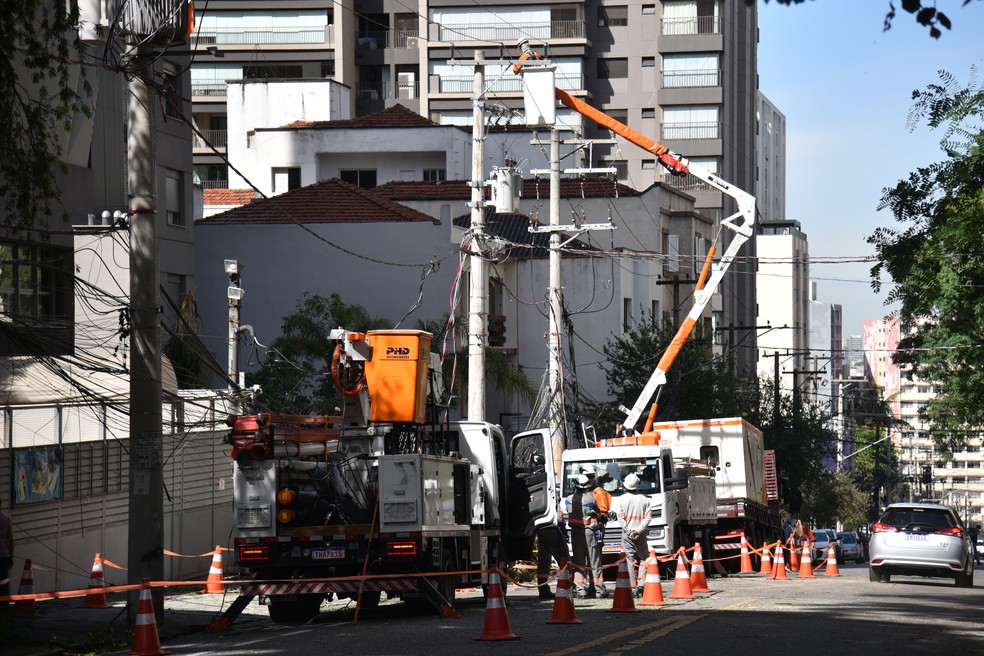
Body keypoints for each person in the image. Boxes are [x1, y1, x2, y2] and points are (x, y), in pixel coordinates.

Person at [560, 475, 607, 599]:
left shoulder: (569, 499)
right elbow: (598, 514)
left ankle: (581, 590)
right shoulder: (590, 499)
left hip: (575, 532)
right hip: (588, 532)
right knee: (594, 561)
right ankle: (599, 590)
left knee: (579, 562)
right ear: (587, 486)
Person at [615, 473, 649, 597]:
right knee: (644, 559)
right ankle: (641, 584)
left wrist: (629, 531)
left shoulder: (622, 499)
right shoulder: (644, 499)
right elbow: (648, 518)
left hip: (627, 534)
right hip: (640, 534)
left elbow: (620, 519)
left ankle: (633, 587)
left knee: (630, 560)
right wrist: (638, 531)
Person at [580, 465, 610, 598]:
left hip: (594, 531)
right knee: (586, 561)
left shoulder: (599, 493)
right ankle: (591, 588)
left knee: (594, 560)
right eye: (587, 477)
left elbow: (602, 512)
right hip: (583, 531)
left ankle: (594, 587)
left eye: (591, 476)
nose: (589, 479)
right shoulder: (580, 495)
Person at [536, 519, 570, 600]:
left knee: (543, 561)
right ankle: (566, 589)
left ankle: (543, 590)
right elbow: (559, 518)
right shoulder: (554, 506)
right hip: (553, 528)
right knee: (564, 560)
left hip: (540, 529)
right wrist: (564, 531)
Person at [0, 497, 13, 606]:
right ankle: (5, 605)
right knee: (4, 582)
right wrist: (11, 556)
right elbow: (10, 540)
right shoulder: (5, 519)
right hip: (4, 555)